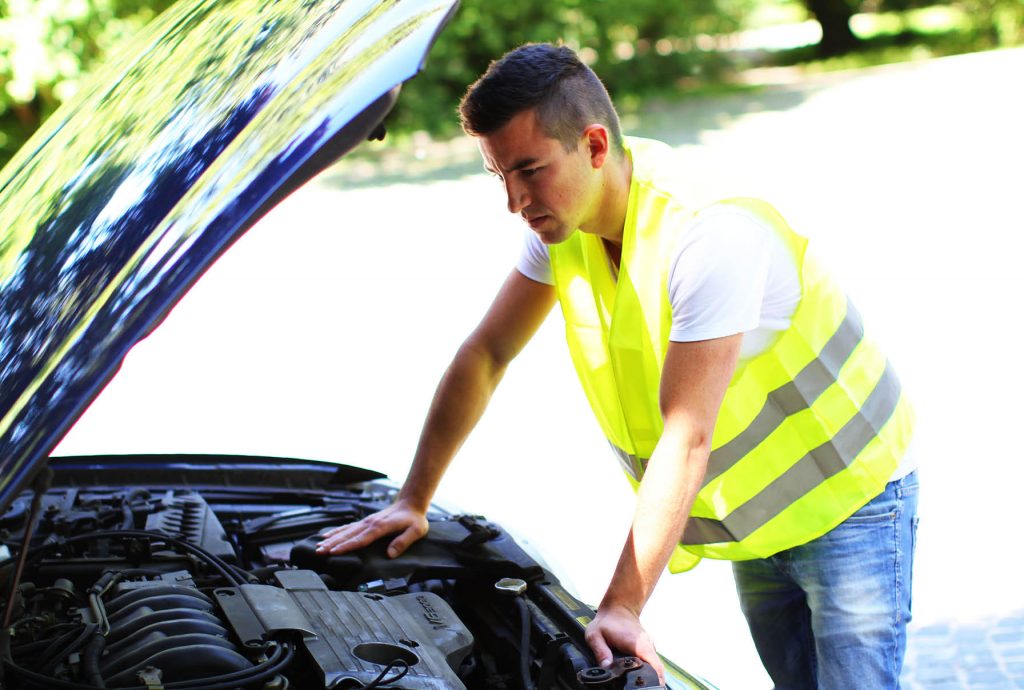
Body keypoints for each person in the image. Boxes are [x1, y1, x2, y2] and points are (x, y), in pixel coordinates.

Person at [316, 42, 918, 689]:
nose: (515, 202)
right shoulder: (565, 229)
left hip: (851, 498)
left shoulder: (709, 237)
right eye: (500, 177)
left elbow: (686, 435)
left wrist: (624, 605)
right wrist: (413, 498)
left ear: (595, 146)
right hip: (762, 523)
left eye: (530, 170)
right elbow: (486, 354)